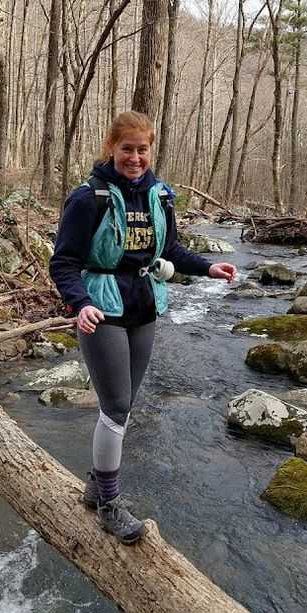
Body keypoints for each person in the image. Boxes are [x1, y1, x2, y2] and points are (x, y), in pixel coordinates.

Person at [49, 111, 237, 544]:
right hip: (103, 310)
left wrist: (208, 268)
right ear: (111, 148)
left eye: (142, 149)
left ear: (151, 150)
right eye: (127, 148)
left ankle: (96, 487)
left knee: (125, 405)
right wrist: (80, 304)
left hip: (145, 306)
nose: (135, 157)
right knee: (115, 406)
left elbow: (170, 249)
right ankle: (109, 503)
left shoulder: (160, 196)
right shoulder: (87, 198)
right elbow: (64, 262)